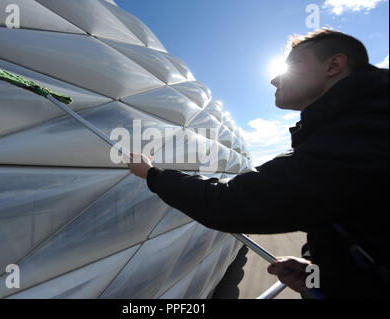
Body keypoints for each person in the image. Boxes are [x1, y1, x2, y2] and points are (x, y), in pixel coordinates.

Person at [126, 28, 389, 299]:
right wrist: (320, 269)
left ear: (333, 65)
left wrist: (151, 174)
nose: (275, 79)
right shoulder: (359, 127)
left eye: (292, 65)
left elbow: (228, 203)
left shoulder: (360, 138)